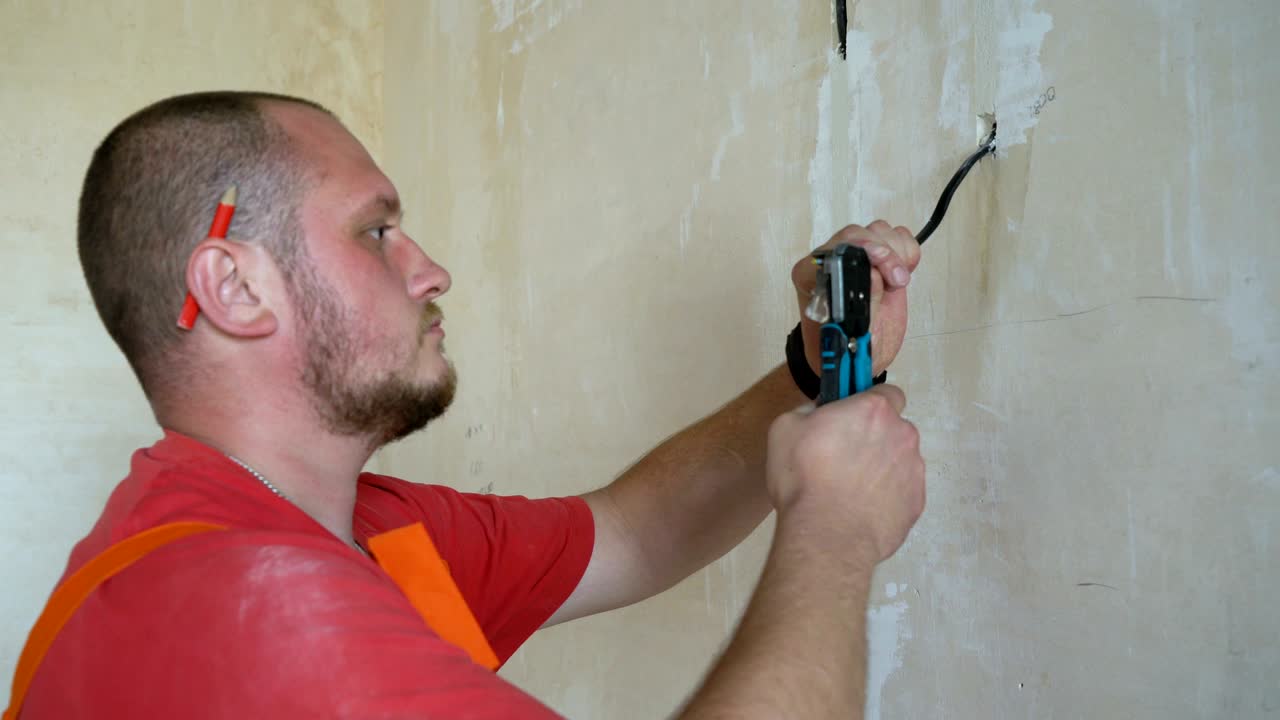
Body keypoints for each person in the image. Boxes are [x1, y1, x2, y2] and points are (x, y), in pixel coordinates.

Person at [16, 91, 925, 719]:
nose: (431, 270)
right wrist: (836, 527)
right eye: (376, 231)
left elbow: (633, 533)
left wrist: (809, 372)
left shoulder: (357, 529)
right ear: (235, 286)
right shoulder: (248, 608)